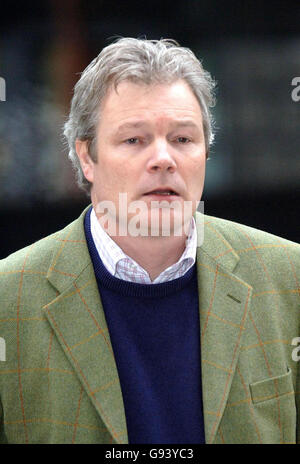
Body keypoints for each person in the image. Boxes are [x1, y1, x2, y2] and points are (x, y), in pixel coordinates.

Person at [0, 37, 300, 445]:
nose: (164, 158)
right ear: (87, 157)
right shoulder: (9, 297)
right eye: (134, 140)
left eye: (182, 139)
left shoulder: (288, 277)